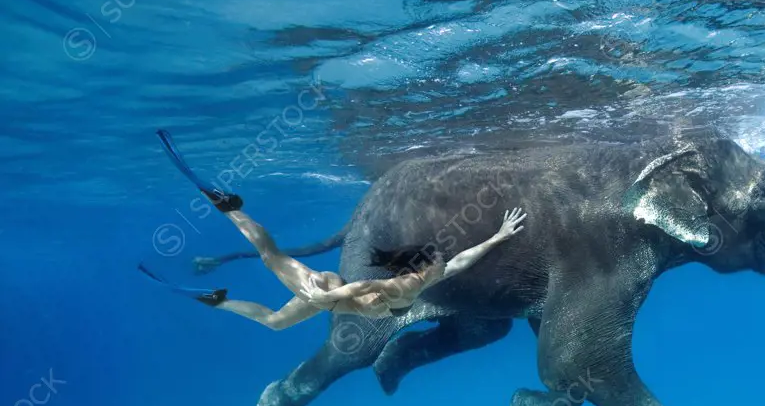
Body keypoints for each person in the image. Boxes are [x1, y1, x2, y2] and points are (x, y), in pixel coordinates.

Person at [139, 130, 527, 330]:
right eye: (434, 259)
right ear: (419, 269)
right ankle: (228, 208)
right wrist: (323, 295)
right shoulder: (401, 287)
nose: (440, 259)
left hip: (331, 296)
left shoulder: (425, 278)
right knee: (270, 255)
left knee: (275, 322)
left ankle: (218, 299)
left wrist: (498, 237)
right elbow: (361, 288)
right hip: (325, 292)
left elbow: (460, 262)